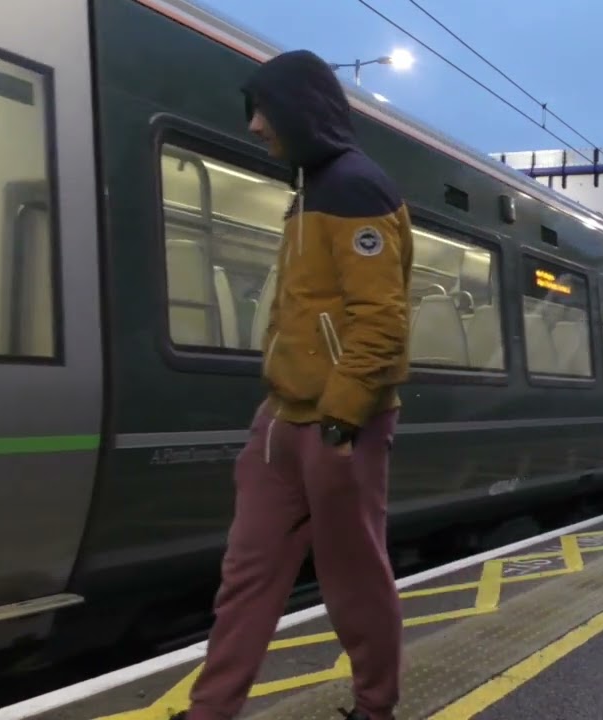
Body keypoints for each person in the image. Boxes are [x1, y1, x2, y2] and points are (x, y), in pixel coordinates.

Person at [172, 49, 413, 720]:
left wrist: (340, 418)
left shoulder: (357, 189)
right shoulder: (306, 190)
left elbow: (381, 321)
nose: (254, 125)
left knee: (354, 582)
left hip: (341, 426)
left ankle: (375, 708)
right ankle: (210, 711)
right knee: (245, 577)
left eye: (264, 110)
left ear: (301, 110)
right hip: (280, 422)